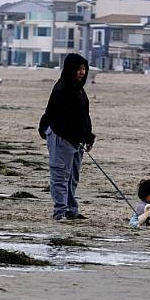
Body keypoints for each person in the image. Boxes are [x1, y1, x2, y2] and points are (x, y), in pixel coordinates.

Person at [38, 53, 95, 221]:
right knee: (60, 177)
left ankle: (71, 210)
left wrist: (88, 137)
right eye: (79, 69)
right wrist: (80, 136)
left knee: (72, 178)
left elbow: (84, 116)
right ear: (71, 69)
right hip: (61, 137)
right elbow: (62, 120)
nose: (82, 72)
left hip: (76, 141)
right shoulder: (62, 88)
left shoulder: (79, 89)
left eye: (84, 69)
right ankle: (60, 212)